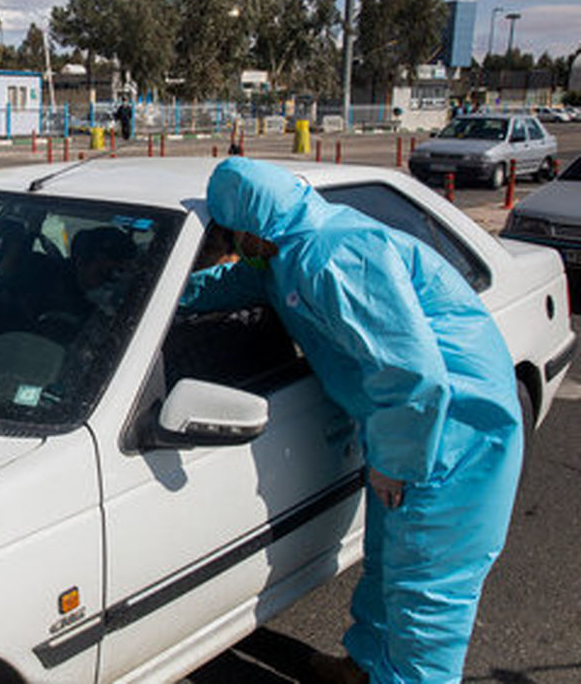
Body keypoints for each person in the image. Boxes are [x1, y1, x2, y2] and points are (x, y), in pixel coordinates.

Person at [180, 157, 523, 684]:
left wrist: (398, 461)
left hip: (453, 433)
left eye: (231, 234)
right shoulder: (285, 252)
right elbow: (233, 285)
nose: (231, 245)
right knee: (388, 564)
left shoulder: (334, 253)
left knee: (428, 590)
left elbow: (413, 373)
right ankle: (365, 668)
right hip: (408, 428)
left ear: (249, 226)